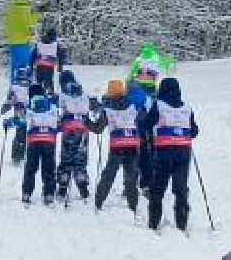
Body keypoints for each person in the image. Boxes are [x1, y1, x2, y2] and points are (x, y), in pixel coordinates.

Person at [138, 76, 198, 232]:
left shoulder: (159, 105)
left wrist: (141, 119)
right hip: (183, 153)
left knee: (158, 188)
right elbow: (194, 131)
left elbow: (146, 124)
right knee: (180, 188)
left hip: (163, 153)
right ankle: (182, 223)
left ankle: (154, 222)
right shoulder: (187, 108)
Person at [93, 79, 143, 212]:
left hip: (117, 146)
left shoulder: (107, 109)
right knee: (131, 176)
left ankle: (99, 201)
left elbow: (98, 128)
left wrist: (86, 122)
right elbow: (142, 119)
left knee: (109, 174)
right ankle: (133, 204)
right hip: (132, 145)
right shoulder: (133, 106)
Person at [19, 84, 63, 204]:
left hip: (33, 141)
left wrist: (8, 122)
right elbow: (59, 124)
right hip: (49, 141)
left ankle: (27, 193)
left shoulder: (29, 107)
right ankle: (49, 194)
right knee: (48, 168)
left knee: (31, 168)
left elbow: (21, 120)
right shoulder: (52, 107)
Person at [56, 70, 95, 204]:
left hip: (68, 129)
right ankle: (83, 188)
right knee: (80, 159)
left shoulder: (63, 94)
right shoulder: (82, 92)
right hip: (83, 130)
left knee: (66, 159)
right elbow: (90, 106)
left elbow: (59, 110)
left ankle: (62, 188)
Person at [3, 0, 40, 83]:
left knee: (15, 66)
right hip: (24, 41)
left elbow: (6, 23)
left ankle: (13, 86)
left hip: (13, 41)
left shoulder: (11, 8)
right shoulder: (26, 9)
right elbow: (30, 25)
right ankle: (22, 87)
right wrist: (36, 14)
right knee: (24, 67)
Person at [3, 69, 32, 164]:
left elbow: (10, 99)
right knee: (23, 133)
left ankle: (18, 156)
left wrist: (7, 105)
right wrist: (7, 105)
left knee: (22, 133)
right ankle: (19, 156)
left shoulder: (16, 86)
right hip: (25, 112)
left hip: (25, 112)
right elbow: (10, 99)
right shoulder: (17, 86)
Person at [30, 23, 67, 92]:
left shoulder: (39, 43)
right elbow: (60, 56)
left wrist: (31, 65)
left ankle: (38, 94)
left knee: (39, 82)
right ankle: (50, 94)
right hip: (49, 67)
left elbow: (33, 55)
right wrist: (60, 67)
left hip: (39, 66)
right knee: (49, 83)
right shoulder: (55, 45)